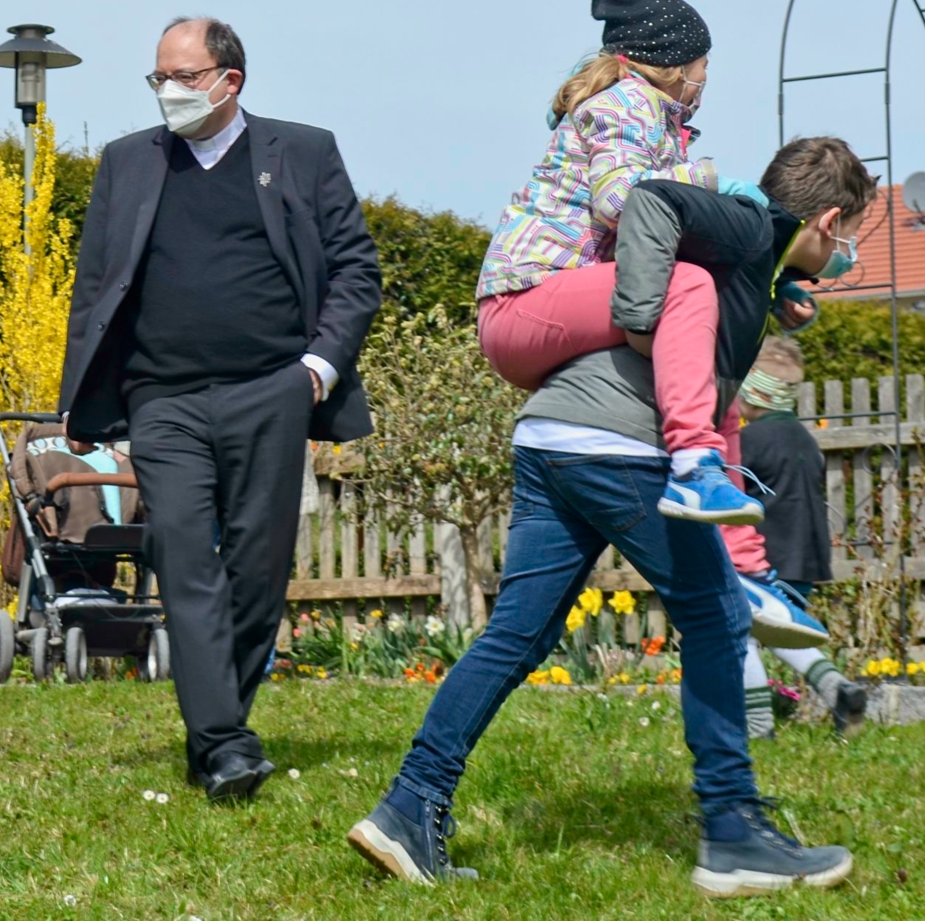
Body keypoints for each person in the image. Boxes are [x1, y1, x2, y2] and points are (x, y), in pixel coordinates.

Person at [349, 137, 877, 895]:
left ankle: (408, 806)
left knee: (516, 634)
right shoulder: (747, 227)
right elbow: (658, 210)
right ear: (829, 219)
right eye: (847, 239)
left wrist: (774, 294)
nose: (844, 255)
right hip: (613, 446)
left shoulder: (750, 248)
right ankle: (732, 834)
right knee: (718, 615)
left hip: (550, 431)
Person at [58, 17, 381, 800]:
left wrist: (315, 370)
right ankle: (228, 742)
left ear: (230, 81)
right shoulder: (127, 163)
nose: (169, 92)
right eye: (158, 79)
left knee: (257, 568)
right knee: (179, 554)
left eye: (184, 76)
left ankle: (216, 732)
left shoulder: (301, 153)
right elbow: (97, 285)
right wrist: (89, 391)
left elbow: (355, 271)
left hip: (270, 390)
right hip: (162, 398)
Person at [477, 0, 780, 527]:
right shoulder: (628, 106)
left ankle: (732, 536)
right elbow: (619, 202)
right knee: (687, 286)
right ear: (676, 65)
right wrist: (704, 179)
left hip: (540, 306)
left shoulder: (650, 116)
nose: (708, 77)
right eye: (705, 65)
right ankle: (693, 465)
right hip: (524, 298)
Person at [727, 338, 867, 738]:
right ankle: (838, 689)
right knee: (779, 632)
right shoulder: (805, 440)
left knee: (740, 636)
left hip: (762, 559)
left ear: (753, 393)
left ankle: (757, 727)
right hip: (804, 559)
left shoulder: (748, 442)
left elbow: (730, 496)